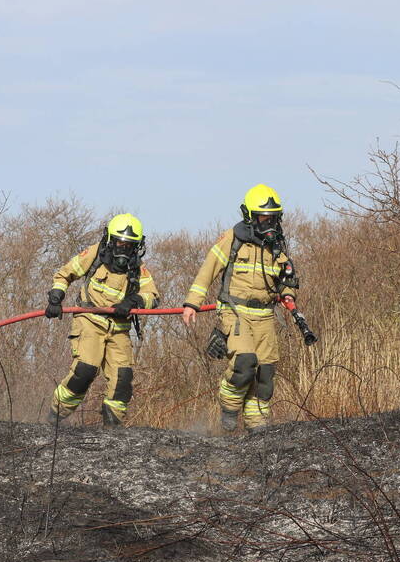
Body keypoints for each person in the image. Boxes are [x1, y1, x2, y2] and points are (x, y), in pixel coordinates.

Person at [182, 184, 300, 432]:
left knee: (265, 375)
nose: (268, 222)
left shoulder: (277, 246)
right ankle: (229, 405)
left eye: (273, 217)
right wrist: (192, 303)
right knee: (245, 362)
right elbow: (208, 270)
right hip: (235, 312)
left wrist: (288, 295)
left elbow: (285, 280)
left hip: (266, 315)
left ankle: (257, 427)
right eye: (263, 217)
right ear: (250, 216)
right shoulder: (232, 239)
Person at [44, 213, 159, 427]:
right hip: (89, 320)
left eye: (129, 245)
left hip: (119, 328)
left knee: (122, 380)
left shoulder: (137, 268)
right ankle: (55, 416)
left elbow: (153, 296)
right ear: (110, 240)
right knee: (85, 370)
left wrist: (134, 300)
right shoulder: (95, 254)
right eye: (119, 242)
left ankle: (112, 432)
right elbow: (64, 274)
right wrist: (56, 296)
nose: (123, 248)